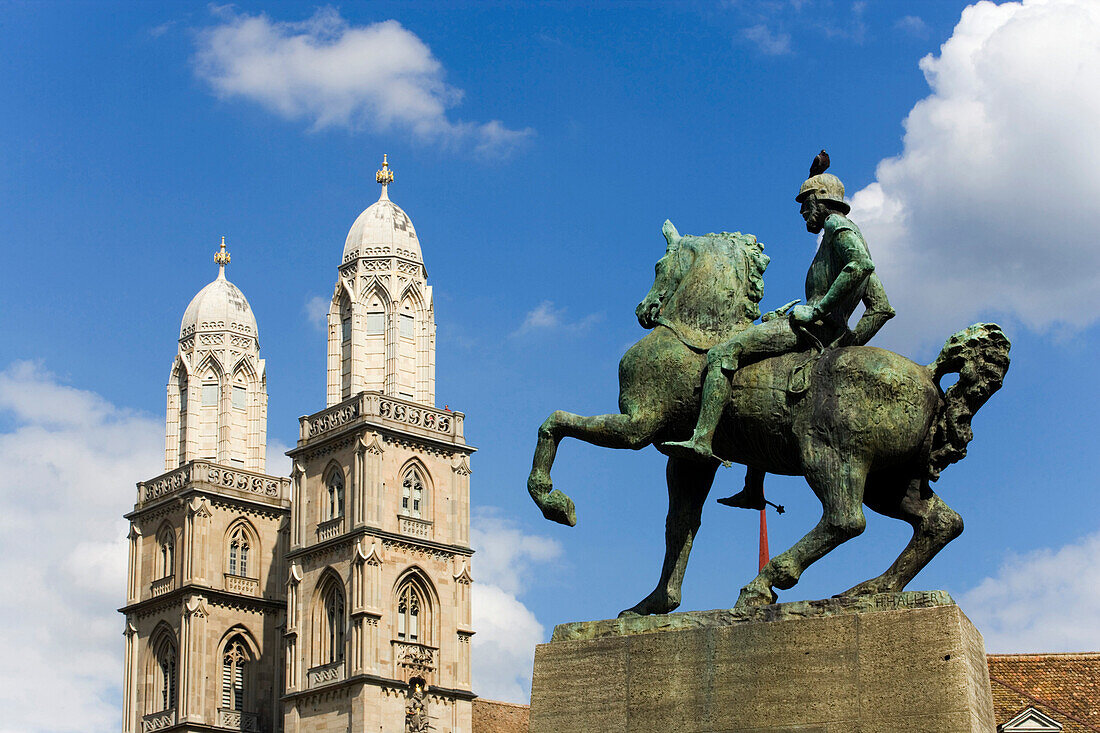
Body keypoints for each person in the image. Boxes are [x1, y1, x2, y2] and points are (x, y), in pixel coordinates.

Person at [663, 154, 895, 509]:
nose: (803, 212)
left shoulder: (838, 228)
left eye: (805, 204)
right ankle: (753, 489)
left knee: (723, 353)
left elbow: (860, 265)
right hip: (820, 334)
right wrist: (844, 344)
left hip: (807, 330)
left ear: (820, 202)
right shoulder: (840, 237)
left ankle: (701, 440)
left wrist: (817, 311)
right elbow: (881, 308)